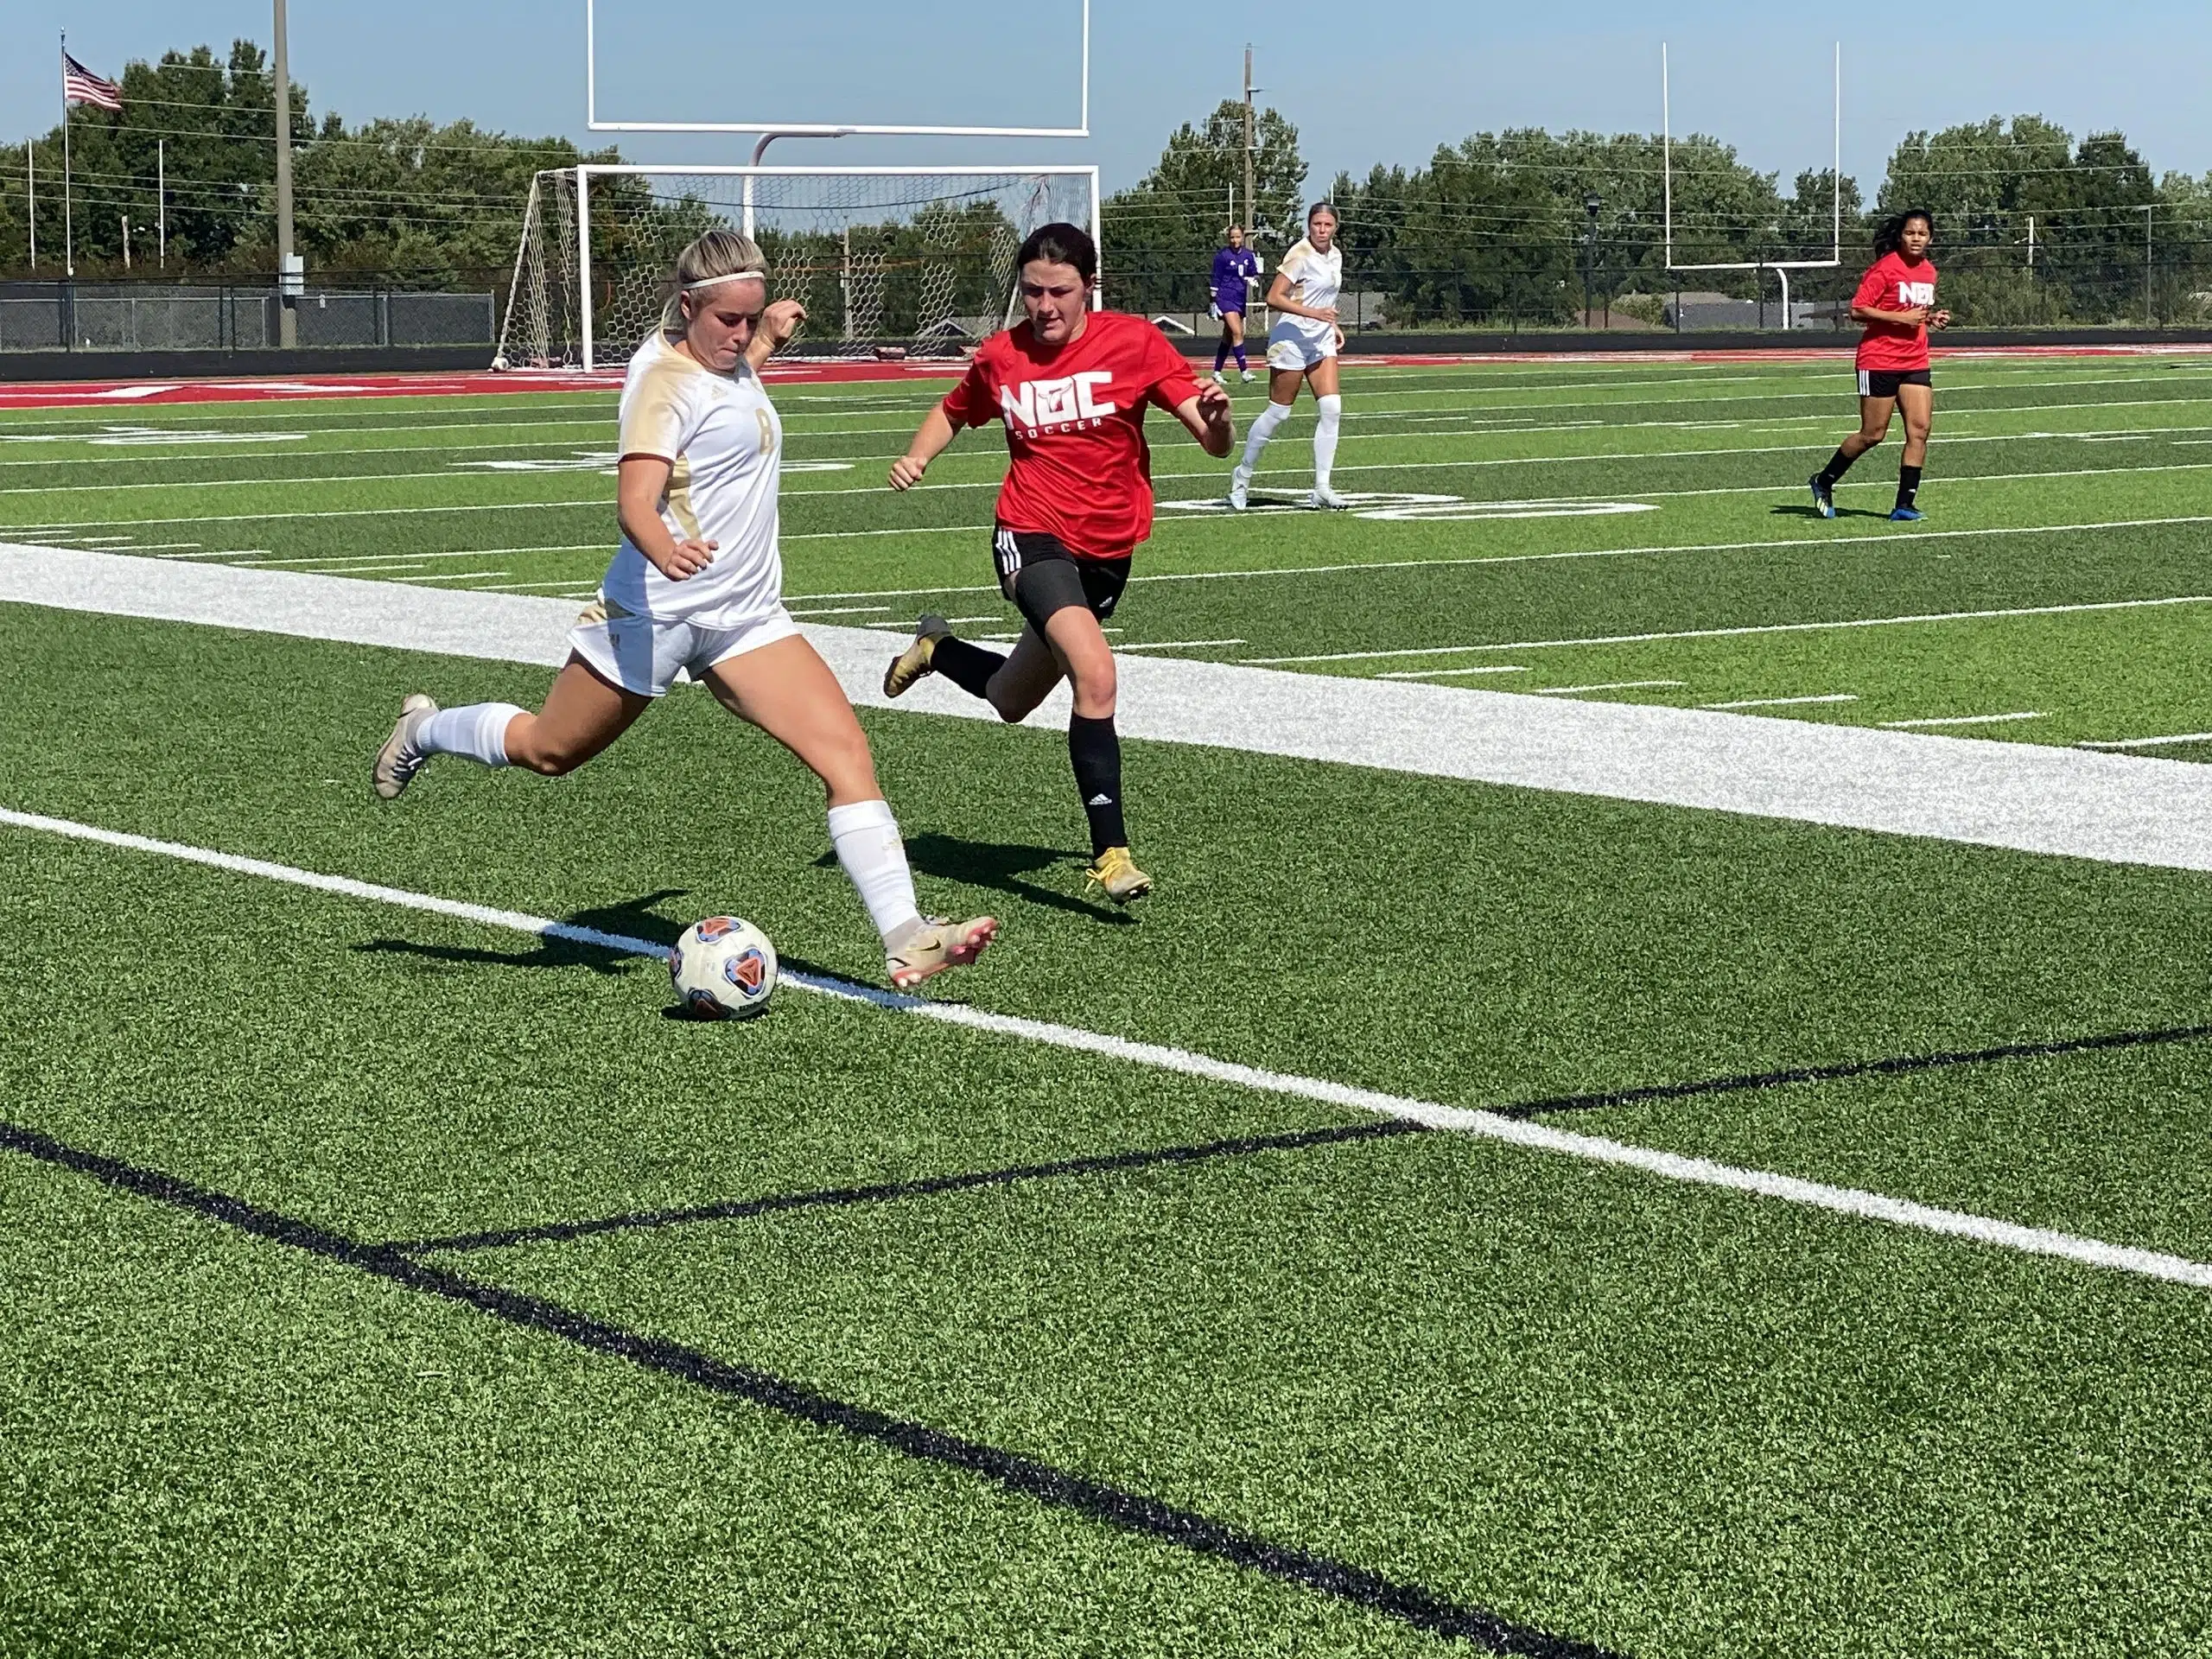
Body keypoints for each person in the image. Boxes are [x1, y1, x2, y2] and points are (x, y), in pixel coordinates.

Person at [370, 228, 996, 991]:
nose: (741, 333)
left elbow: (727, 409)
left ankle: (905, 935)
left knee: (847, 758)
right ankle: (423, 729)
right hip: (654, 615)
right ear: (688, 304)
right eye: (730, 319)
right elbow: (634, 500)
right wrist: (664, 549)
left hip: (746, 618)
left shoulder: (730, 360)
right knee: (549, 750)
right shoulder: (661, 380)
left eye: (752, 316)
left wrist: (763, 340)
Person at [877, 222, 1235, 905]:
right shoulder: (1001, 355)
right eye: (1033, 291)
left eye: (1059, 292)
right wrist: (919, 454)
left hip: (1108, 550)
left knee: (1013, 698)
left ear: (1089, 288)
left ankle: (938, 647)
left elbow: (1212, 443)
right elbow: (954, 410)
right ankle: (1112, 855)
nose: (1043, 306)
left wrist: (1218, 419)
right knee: (1096, 675)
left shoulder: (1134, 343)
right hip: (1030, 534)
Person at [1809, 209, 1951, 522]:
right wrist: (1903, 318)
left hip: (1915, 359)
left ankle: (1904, 504)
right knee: (1873, 434)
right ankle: (1823, 481)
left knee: (1920, 430)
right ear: (1901, 235)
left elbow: (1913, 310)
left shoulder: (1929, 271)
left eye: (1922, 234)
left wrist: (1930, 318)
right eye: (1911, 233)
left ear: (1931, 238)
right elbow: (1857, 310)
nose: (1916, 239)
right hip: (1879, 359)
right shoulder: (1885, 269)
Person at [1229, 201, 1348, 511]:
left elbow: (1325, 297)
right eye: (1316, 225)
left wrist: (1331, 324)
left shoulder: (1335, 255)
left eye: (1327, 225)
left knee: (1332, 407)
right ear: (1309, 225)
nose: (1321, 230)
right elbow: (1273, 297)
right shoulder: (1300, 255)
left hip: (1319, 339)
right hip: (1292, 338)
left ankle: (1322, 487)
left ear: (1336, 227)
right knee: (1278, 413)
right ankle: (1241, 476)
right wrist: (1315, 314)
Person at [1208, 225, 1262, 385]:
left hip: (1240, 298)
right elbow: (1216, 278)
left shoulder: (1248, 255)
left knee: (1228, 336)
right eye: (1232, 237)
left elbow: (1253, 273)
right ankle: (1244, 371)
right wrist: (1213, 301)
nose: (1235, 240)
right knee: (1238, 332)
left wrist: (1254, 279)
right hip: (1225, 297)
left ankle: (1216, 372)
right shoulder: (1222, 256)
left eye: (1238, 237)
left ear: (1243, 237)